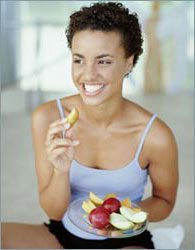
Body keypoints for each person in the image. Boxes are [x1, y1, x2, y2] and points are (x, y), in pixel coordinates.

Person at [2, 2, 178, 249]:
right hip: (62, 234)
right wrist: (61, 170)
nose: (88, 75)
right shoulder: (48, 118)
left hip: (125, 239)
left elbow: (164, 201)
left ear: (129, 62)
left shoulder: (156, 136)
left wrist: (120, 215)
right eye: (79, 60)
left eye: (103, 61)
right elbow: (54, 211)